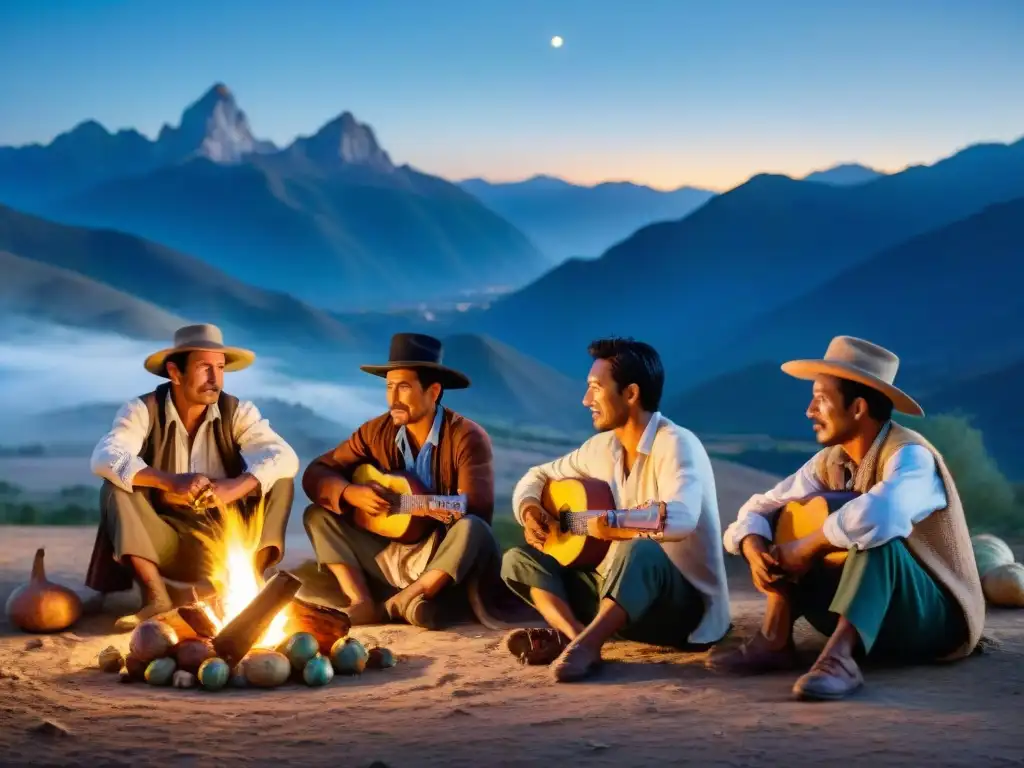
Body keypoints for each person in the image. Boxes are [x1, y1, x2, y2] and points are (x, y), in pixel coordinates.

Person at [711, 336, 985, 701]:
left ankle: (841, 659)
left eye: (821, 400)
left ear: (857, 408)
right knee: (783, 518)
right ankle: (775, 641)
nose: (810, 411)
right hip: (872, 614)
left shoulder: (911, 455)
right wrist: (753, 545)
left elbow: (883, 514)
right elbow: (760, 506)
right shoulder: (830, 461)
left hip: (930, 623)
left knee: (874, 535)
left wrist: (807, 548)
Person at [500, 337, 731, 682]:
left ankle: (585, 645)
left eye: (595, 388)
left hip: (680, 611)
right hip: (616, 601)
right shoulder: (599, 448)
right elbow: (538, 475)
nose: (586, 400)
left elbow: (681, 518)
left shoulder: (677, 443)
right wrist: (531, 508)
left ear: (631, 394)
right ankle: (579, 636)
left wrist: (610, 522)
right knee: (518, 559)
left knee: (638, 549)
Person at [85, 324, 300, 631]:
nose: (215, 379)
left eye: (220, 368)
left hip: (226, 539)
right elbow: (105, 457)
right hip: (164, 541)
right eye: (204, 368)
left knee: (280, 479)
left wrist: (236, 486)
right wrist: (168, 481)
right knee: (116, 488)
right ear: (175, 373)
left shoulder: (238, 412)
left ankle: (251, 580)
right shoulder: (142, 410)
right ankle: (156, 598)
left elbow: (285, 456)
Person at [301, 332, 503, 630]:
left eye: (404, 387)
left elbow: (475, 507)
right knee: (317, 515)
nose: (393, 398)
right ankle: (363, 602)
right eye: (389, 387)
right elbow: (317, 472)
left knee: (472, 529)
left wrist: (414, 504)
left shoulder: (466, 437)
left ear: (433, 392)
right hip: (387, 554)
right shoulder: (374, 432)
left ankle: (406, 600)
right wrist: (350, 492)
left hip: (442, 557)